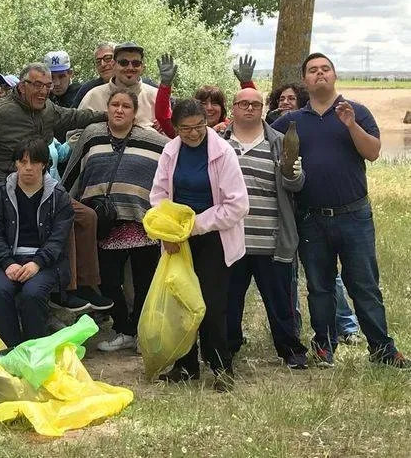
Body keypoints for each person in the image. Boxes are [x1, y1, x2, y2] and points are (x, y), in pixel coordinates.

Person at [272, 52, 408, 368]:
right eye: (312, 70)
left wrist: (350, 125)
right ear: (305, 80)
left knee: (364, 285)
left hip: (354, 216)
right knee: (319, 288)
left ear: (335, 75)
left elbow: (373, 152)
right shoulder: (291, 122)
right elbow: (256, 137)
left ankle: (382, 349)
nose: (320, 74)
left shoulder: (356, 112)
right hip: (311, 219)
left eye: (325, 69)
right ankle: (324, 346)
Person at [0, 62, 108, 311]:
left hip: (43, 188)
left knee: (88, 216)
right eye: (37, 85)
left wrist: (108, 115)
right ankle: (65, 290)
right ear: (21, 86)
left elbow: (73, 116)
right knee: (68, 216)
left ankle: (86, 284)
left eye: (48, 86)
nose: (43, 91)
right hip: (8, 192)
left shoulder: (48, 109)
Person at [150, 99, 249, 391]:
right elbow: (158, 195)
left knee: (211, 305)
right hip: (178, 240)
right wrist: (167, 232)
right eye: (185, 129)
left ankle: (221, 367)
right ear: (176, 128)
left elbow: (238, 205)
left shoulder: (223, 153)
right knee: (182, 303)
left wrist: (195, 225)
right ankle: (186, 366)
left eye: (198, 127)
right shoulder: (170, 150)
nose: (193, 134)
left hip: (214, 238)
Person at [62, 90, 169, 352]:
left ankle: (140, 332)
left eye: (126, 106)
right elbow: (74, 171)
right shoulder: (92, 135)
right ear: (107, 108)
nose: (119, 110)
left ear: (135, 112)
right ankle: (123, 328)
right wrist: (61, 202)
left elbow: (168, 176)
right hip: (103, 225)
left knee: (145, 282)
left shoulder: (156, 142)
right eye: (114, 105)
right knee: (108, 281)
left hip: (143, 224)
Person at [221, 88, 309, 369]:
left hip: (270, 239)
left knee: (280, 301)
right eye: (243, 104)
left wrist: (295, 175)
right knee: (228, 301)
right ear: (233, 107)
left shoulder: (281, 142)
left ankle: (291, 350)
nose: (249, 108)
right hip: (230, 240)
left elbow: (295, 185)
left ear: (262, 109)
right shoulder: (218, 143)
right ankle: (227, 348)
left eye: (255, 104)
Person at [0, 138, 75, 347]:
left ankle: (35, 348)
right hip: (8, 258)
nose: (28, 168)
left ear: (44, 164)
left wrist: (37, 263)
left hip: (45, 262)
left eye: (34, 162)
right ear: (15, 163)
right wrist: (7, 263)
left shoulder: (59, 196)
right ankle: (10, 348)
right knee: (0, 291)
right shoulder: (0, 193)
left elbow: (58, 239)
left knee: (32, 293)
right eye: (22, 161)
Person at [154, 54, 259, 138]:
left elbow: (252, 113)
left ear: (222, 108)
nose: (209, 108)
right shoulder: (185, 130)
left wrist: (247, 83)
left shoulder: (233, 128)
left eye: (215, 103)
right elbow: (163, 116)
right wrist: (165, 84)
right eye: (203, 103)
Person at [77, 42, 158, 128]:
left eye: (136, 63)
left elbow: (171, 135)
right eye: (124, 63)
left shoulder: (156, 97)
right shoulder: (93, 96)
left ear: (142, 67)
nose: (130, 68)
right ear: (114, 65)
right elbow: (74, 135)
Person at [71, 43, 116, 108]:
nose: (102, 64)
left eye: (108, 58)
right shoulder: (88, 89)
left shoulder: (130, 84)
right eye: (98, 61)